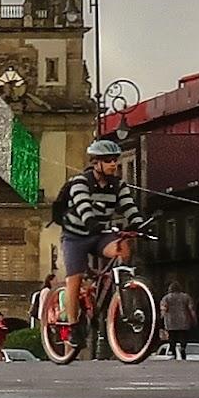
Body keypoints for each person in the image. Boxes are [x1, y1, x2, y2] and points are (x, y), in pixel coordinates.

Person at [54, 139, 148, 341]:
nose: (114, 164)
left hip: (100, 235)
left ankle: (122, 289)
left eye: (115, 160)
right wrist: (90, 222)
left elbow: (129, 206)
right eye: (108, 160)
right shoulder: (80, 182)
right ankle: (73, 325)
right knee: (75, 278)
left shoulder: (118, 185)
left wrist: (140, 223)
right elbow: (83, 205)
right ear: (96, 163)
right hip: (75, 236)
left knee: (122, 248)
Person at [158, 280, 195, 358]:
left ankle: (173, 350)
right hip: (183, 320)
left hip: (171, 321)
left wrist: (161, 318)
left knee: (172, 337)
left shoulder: (166, 298)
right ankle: (183, 348)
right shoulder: (186, 297)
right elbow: (191, 308)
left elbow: (164, 308)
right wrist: (194, 318)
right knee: (183, 336)